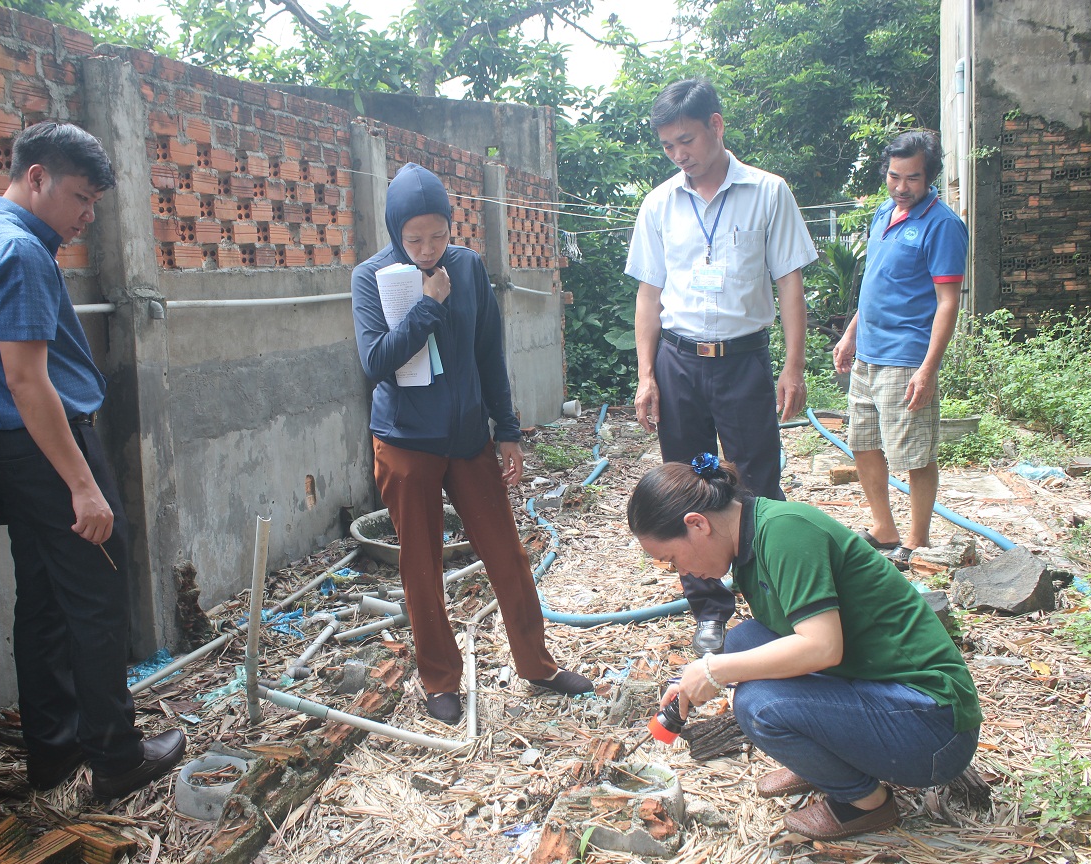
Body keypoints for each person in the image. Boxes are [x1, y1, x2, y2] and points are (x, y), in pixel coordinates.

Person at [0, 121, 184, 798]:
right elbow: (27, 379)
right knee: (97, 597)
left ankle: (51, 753)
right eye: (81, 198)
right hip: (49, 445)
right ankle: (116, 756)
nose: (86, 215)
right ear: (37, 177)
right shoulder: (19, 253)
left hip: (12, 448)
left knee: (47, 600)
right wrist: (83, 486)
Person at [351, 163, 593, 724]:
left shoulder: (468, 266)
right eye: (414, 238)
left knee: (507, 553)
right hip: (406, 444)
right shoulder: (373, 276)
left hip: (467, 441)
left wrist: (506, 430)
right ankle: (439, 679)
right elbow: (376, 362)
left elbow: (490, 354)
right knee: (421, 564)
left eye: (437, 234)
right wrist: (428, 305)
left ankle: (538, 664)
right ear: (395, 231)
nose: (428, 248)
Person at [627, 456, 981, 841]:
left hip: (933, 727)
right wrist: (698, 676)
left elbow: (822, 648)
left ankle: (866, 804)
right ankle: (826, 757)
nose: (682, 572)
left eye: (672, 559)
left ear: (698, 524)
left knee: (759, 706)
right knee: (744, 640)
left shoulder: (785, 533)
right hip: (883, 689)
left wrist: (714, 671)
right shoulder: (750, 538)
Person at [625, 78, 819, 656]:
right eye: (668, 147)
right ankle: (708, 609)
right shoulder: (659, 203)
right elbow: (647, 295)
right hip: (679, 360)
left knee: (755, 480)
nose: (679, 155)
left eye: (686, 140)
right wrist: (646, 373)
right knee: (684, 486)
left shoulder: (767, 192)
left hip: (742, 361)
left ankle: (775, 600)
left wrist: (794, 367)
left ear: (716, 126)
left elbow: (789, 284)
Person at [833, 130, 968, 570]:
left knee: (913, 453)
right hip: (868, 354)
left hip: (906, 356)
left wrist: (928, 368)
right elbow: (874, 284)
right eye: (894, 176)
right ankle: (884, 527)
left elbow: (948, 301)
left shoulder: (942, 225)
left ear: (929, 176)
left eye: (912, 178)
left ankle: (918, 537)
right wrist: (851, 334)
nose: (901, 186)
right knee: (864, 444)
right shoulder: (882, 214)